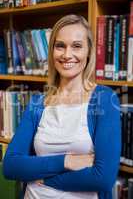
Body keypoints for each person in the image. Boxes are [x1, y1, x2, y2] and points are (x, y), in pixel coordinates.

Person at [3, 14, 121, 199]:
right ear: (52, 52)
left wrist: (45, 178)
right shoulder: (37, 103)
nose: (67, 55)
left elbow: (103, 178)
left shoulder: (105, 99)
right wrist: (66, 161)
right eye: (60, 46)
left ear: (89, 51)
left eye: (76, 46)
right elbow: (11, 166)